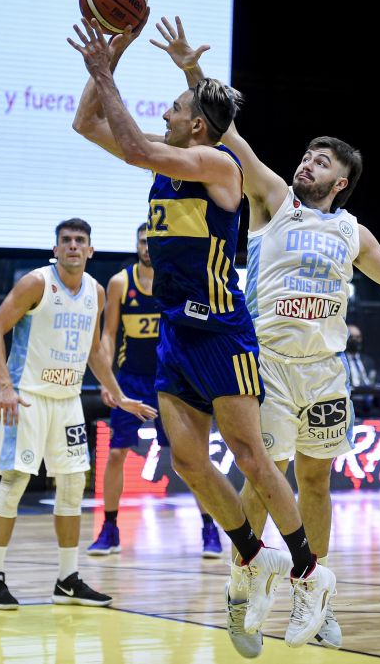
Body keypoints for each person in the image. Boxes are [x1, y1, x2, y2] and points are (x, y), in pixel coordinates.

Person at [149, 16, 380, 654]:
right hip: (264, 362)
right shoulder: (274, 199)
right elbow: (226, 131)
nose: (307, 163)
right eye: (306, 155)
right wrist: (192, 70)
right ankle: (244, 589)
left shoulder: (352, 232)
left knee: (317, 482)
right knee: (262, 477)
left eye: (320, 161)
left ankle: (312, 593)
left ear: (340, 181)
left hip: (325, 371)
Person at [70, 17, 336, 652]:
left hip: (222, 331)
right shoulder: (169, 156)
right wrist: (110, 59)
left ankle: (308, 573)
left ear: (196, 125)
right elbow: (86, 124)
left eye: (176, 106)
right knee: (187, 461)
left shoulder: (217, 164)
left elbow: (135, 146)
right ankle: (254, 556)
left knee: (251, 457)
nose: (165, 111)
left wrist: (107, 73)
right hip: (176, 334)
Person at [0, 218, 155, 611]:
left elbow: (94, 352)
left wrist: (119, 395)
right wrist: (5, 386)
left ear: (90, 250)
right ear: (55, 249)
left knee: (74, 485)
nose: (73, 246)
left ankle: (67, 579)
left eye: (80, 240)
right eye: (66, 240)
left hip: (68, 401)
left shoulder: (96, 291)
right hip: (28, 397)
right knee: (15, 481)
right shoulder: (36, 283)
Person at [89, 223, 222, 558]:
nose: (147, 247)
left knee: (189, 458)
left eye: (152, 242)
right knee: (116, 453)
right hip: (132, 379)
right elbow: (109, 334)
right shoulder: (120, 282)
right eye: (142, 242)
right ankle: (109, 529)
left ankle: (209, 528)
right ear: (136, 246)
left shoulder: (177, 281)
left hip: (171, 379)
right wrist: (107, 380)